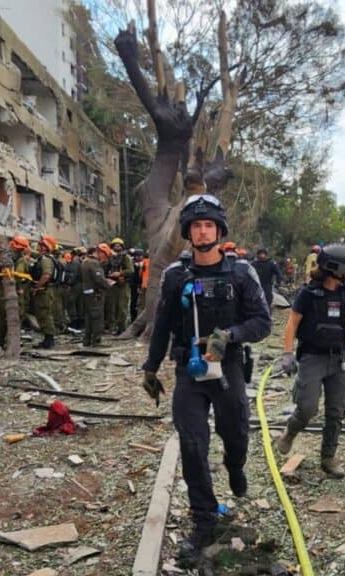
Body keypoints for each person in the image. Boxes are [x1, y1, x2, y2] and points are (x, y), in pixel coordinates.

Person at [141, 190, 271, 562]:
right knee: (193, 444)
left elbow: (262, 322)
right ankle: (204, 517)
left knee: (236, 435)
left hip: (227, 368)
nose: (201, 232)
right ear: (187, 230)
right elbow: (162, 324)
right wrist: (150, 368)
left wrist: (230, 336)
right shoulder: (175, 276)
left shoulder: (241, 272)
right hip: (189, 371)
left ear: (219, 229)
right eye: (196, 225)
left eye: (208, 225)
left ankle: (235, 467)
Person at [276, 244, 345, 479]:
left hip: (340, 359)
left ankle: (328, 458)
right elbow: (292, 323)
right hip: (312, 358)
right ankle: (291, 431)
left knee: (336, 411)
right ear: (334, 267)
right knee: (307, 407)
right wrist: (287, 354)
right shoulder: (308, 293)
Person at [30, 235, 59, 349]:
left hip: (44, 291)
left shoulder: (45, 259)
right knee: (44, 314)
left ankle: (49, 340)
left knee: (45, 314)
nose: (38, 247)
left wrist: (37, 287)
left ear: (45, 247)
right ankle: (48, 338)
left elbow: (46, 275)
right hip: (45, 290)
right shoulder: (45, 258)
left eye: (41, 245)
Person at [81, 244, 111, 347]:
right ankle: (97, 341)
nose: (104, 257)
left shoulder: (85, 261)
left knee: (89, 317)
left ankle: (87, 340)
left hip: (87, 292)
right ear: (98, 252)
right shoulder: (93, 263)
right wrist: (108, 284)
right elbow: (99, 279)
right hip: (96, 293)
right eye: (104, 254)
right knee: (97, 317)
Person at [104, 237, 134, 334]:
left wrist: (120, 273)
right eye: (115, 245)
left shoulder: (126, 258)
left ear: (122, 247)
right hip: (112, 285)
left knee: (122, 308)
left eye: (119, 245)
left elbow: (131, 270)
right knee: (112, 307)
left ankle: (122, 329)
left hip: (123, 285)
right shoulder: (109, 258)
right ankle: (112, 327)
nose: (117, 246)